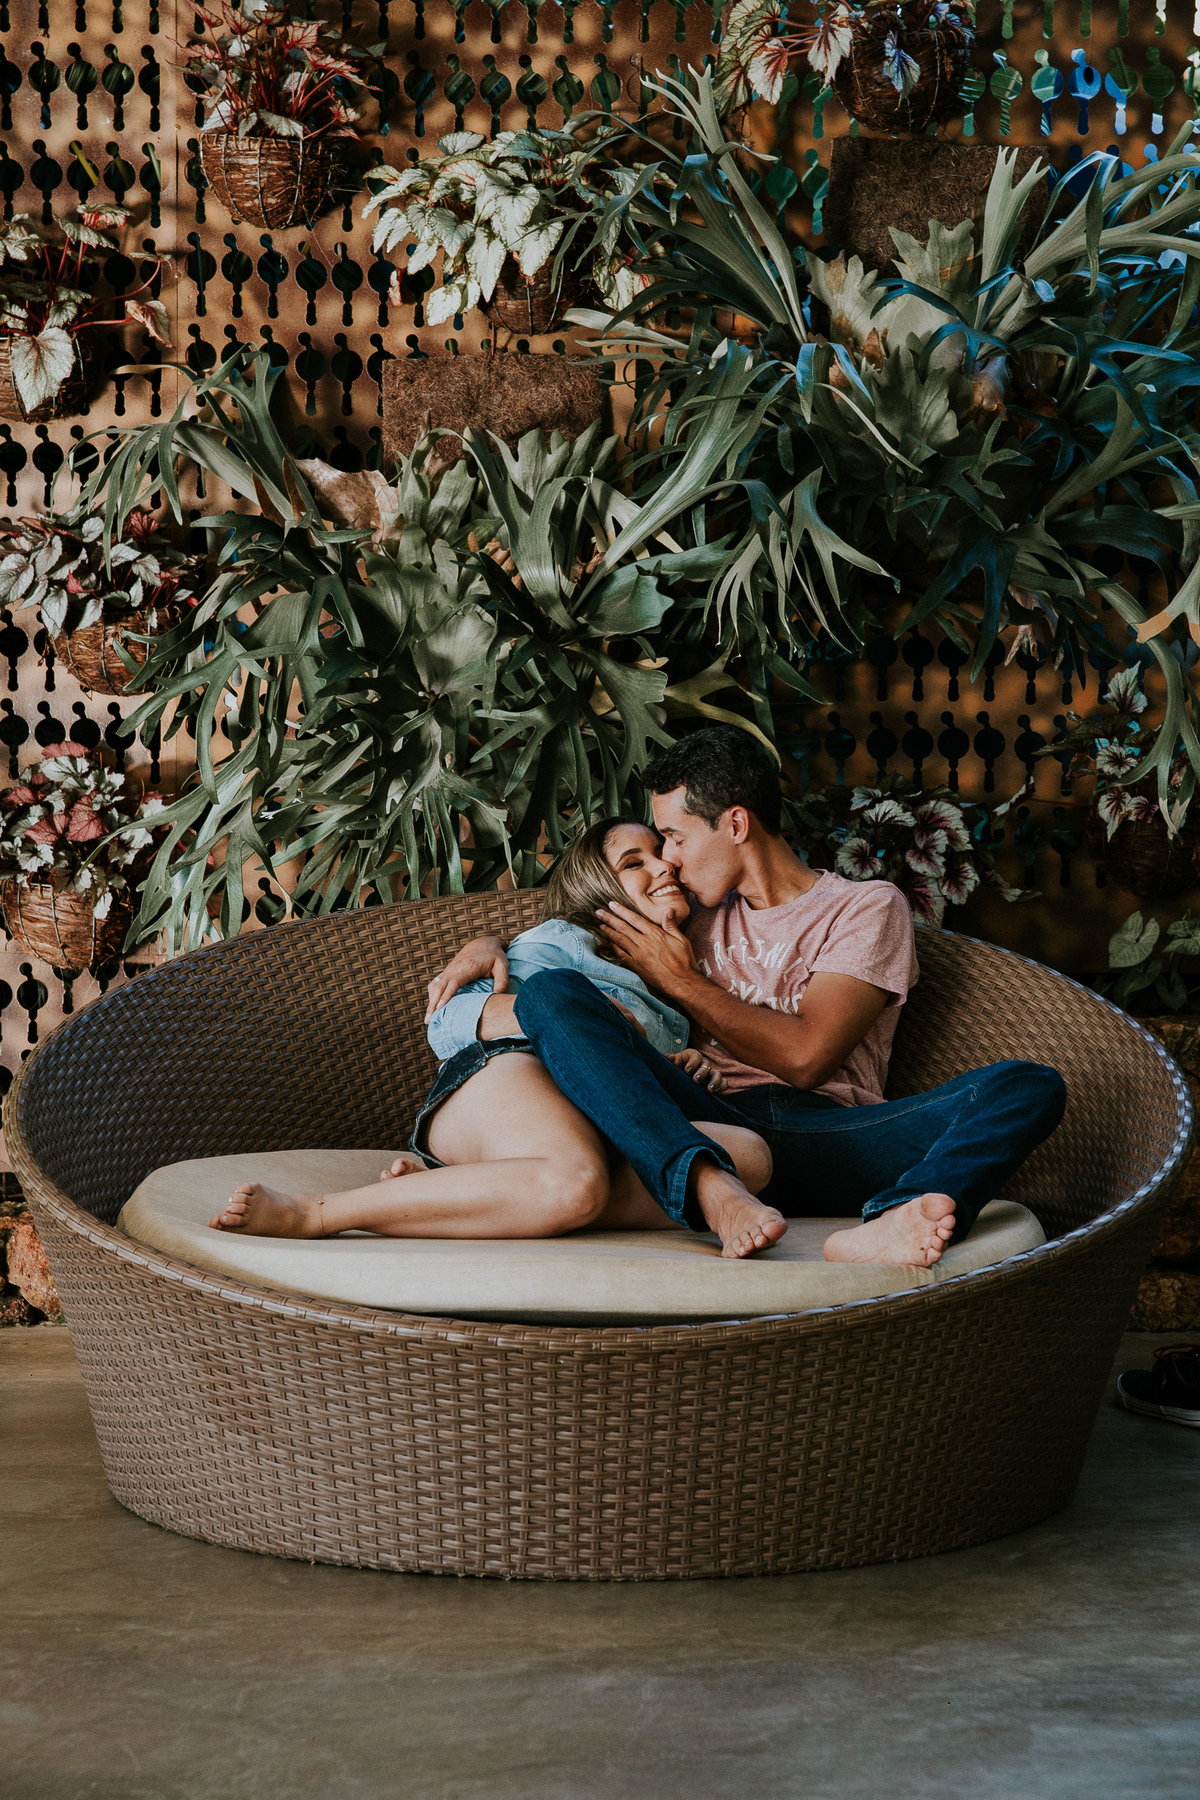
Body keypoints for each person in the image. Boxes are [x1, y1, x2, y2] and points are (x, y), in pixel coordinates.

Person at [426, 725, 1067, 1267]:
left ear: (735, 823)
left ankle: (892, 1220)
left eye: (674, 837)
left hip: (827, 1134)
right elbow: (571, 935)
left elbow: (808, 1057)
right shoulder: (686, 915)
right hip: (698, 1115)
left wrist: (679, 980)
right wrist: (489, 944)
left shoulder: (864, 909)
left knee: (1025, 1086)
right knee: (558, 996)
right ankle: (708, 1188)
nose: (667, 861)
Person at [208, 816, 777, 1256]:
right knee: (574, 1186)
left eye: (663, 851)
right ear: (597, 889)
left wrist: (680, 1066)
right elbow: (448, 1021)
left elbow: (626, 1082)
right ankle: (323, 1212)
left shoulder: (675, 987)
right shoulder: (562, 941)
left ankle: (473, 1191)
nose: (664, 866)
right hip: (505, 1079)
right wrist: (576, 1015)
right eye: (635, 862)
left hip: (589, 1121)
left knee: (748, 1157)